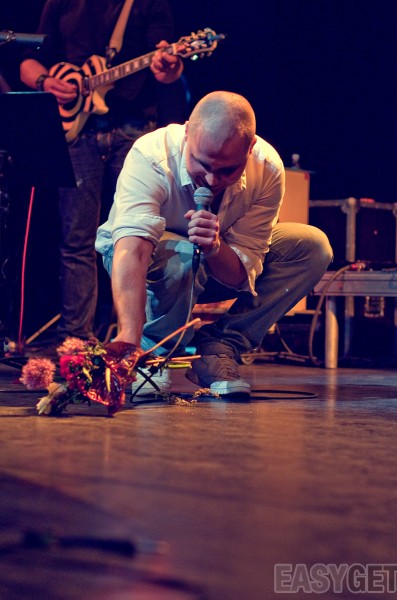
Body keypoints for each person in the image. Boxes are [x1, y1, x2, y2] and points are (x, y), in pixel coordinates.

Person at [95, 90, 333, 398]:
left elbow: (240, 276)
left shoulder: (267, 168)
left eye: (226, 170)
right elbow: (133, 249)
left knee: (312, 247)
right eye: (202, 164)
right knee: (182, 253)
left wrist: (215, 248)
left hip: (209, 267)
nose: (210, 180)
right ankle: (151, 351)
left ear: (250, 148)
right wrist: (129, 335)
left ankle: (220, 347)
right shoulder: (151, 155)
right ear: (187, 133)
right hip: (139, 263)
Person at [19, 0, 185, 348]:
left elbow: (166, 68)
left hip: (134, 131)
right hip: (79, 133)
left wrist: (169, 67)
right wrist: (47, 82)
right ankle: (75, 340)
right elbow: (27, 63)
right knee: (75, 239)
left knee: (139, 232)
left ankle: (138, 338)